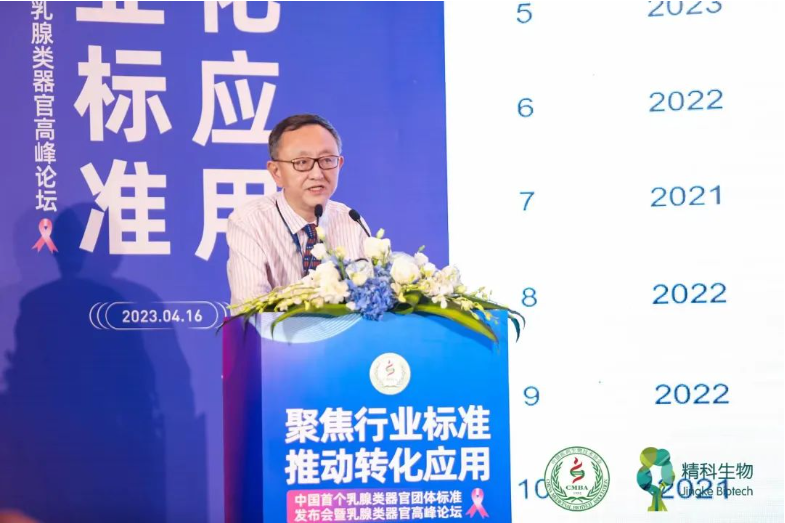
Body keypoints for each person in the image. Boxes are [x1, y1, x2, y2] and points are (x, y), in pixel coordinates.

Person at [226, 114, 369, 306]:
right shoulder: (250, 222)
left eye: (327, 160)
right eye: (302, 162)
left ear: (339, 165)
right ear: (276, 172)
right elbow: (250, 309)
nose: (317, 174)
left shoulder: (352, 221)